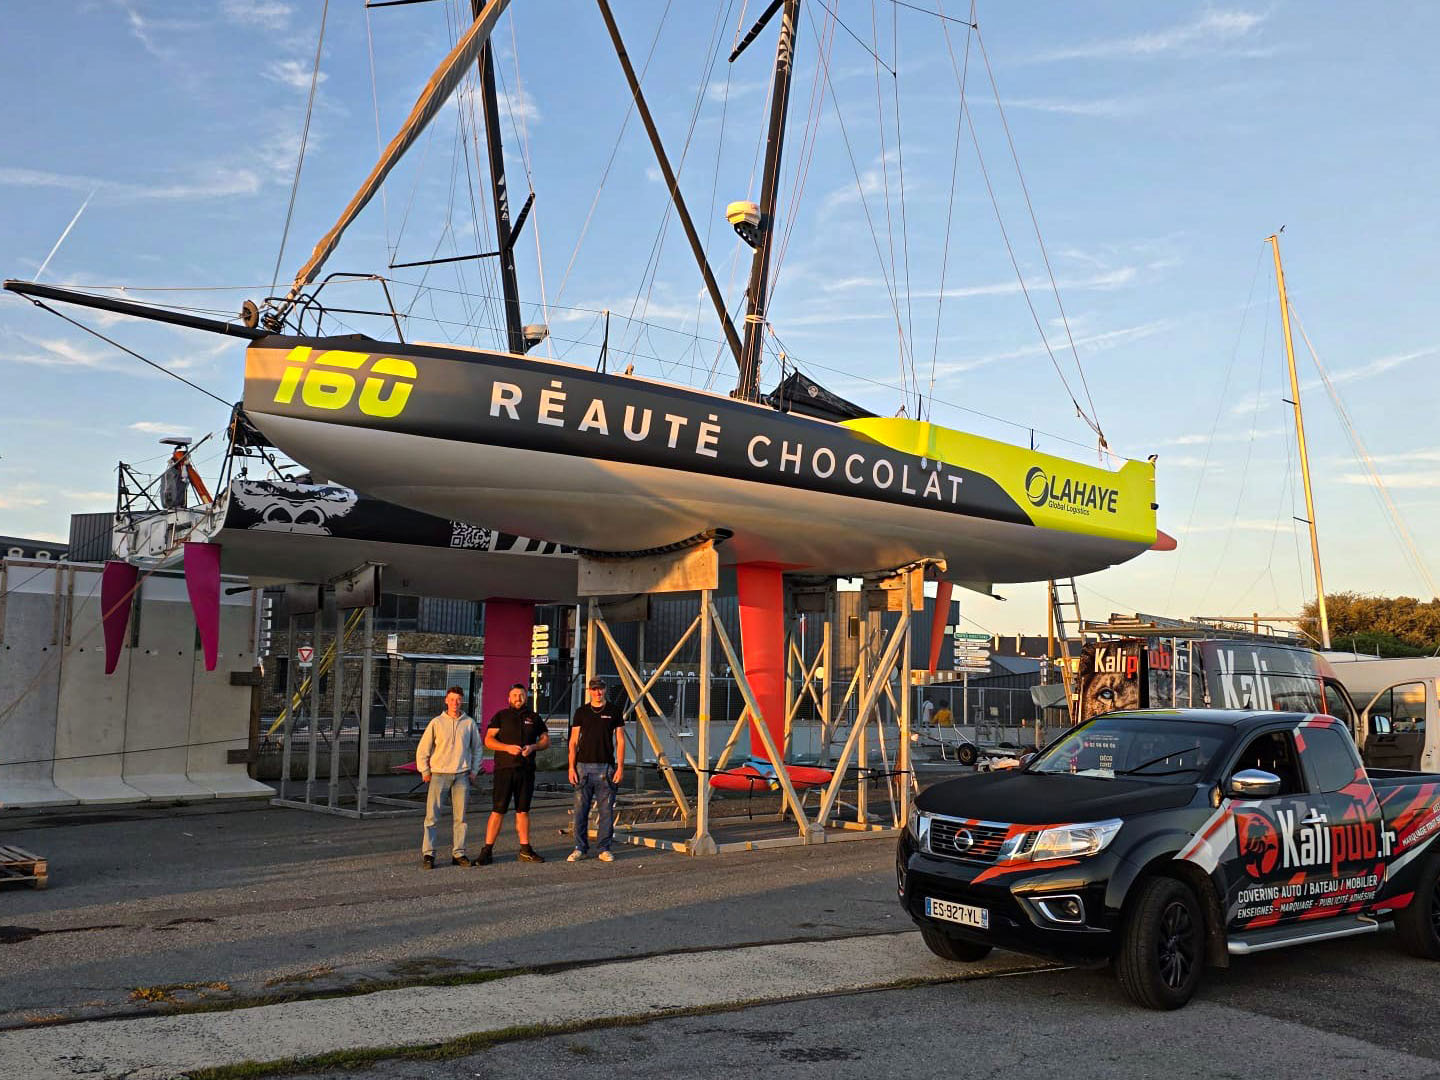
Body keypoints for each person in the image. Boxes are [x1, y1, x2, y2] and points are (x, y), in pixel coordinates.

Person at [479, 684, 550, 864]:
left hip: (526, 771)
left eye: (521, 695)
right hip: (504, 770)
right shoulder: (501, 716)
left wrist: (533, 747)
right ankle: (487, 851)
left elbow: (545, 740)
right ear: (508, 698)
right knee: (498, 810)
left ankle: (525, 849)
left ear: (526, 697)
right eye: (514, 695)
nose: (518, 697)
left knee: (523, 811)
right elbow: (488, 740)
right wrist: (506, 748)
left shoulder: (534, 717)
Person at [416, 686, 482, 870]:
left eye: (458, 699)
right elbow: (424, 748)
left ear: (462, 701)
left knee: (460, 818)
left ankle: (458, 853)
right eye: (452, 699)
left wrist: (475, 770)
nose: (455, 703)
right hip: (439, 775)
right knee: (432, 817)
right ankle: (428, 854)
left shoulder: (469, 723)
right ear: (446, 700)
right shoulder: (436, 723)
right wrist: (425, 770)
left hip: (462, 775)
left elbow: (477, 748)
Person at [567, 677, 626, 863]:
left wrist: (620, 767)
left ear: (605, 690)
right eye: (594, 689)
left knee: (606, 811)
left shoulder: (614, 711)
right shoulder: (581, 712)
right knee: (580, 811)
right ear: (589, 691)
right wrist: (571, 767)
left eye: (600, 689)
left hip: (605, 768)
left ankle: (604, 848)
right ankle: (580, 848)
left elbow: (620, 740)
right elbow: (574, 741)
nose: (597, 692)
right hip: (583, 767)